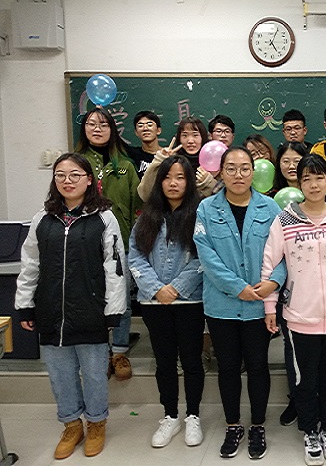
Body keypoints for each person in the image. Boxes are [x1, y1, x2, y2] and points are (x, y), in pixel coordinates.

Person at [15, 153, 126, 460]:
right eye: (61, 175)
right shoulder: (42, 219)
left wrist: (114, 310)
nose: (67, 180)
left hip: (90, 309)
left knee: (94, 374)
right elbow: (30, 264)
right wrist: (25, 305)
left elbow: (115, 267)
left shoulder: (104, 218)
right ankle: (71, 424)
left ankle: (97, 423)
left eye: (75, 174)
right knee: (60, 375)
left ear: (89, 180)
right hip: (51, 311)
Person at [261, 154, 326, 466]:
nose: (314, 184)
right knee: (304, 381)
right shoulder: (285, 219)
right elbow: (270, 263)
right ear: (299, 182)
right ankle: (309, 430)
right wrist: (269, 306)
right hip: (299, 317)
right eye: (307, 178)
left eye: (319, 178)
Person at [193, 146, 286, 460]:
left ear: (253, 172)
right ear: (220, 172)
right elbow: (206, 256)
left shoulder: (270, 207)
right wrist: (237, 288)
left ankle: (257, 425)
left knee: (258, 366)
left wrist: (274, 281)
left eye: (245, 168)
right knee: (228, 368)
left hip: (260, 305)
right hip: (221, 306)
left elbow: (285, 252)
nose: (238, 174)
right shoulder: (206, 208)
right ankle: (233, 425)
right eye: (230, 168)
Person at [128, 156, 205, 448]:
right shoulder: (146, 217)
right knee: (164, 362)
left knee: (192, 360)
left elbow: (204, 257)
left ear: (189, 182)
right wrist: (156, 289)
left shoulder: (201, 215)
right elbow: (135, 256)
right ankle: (170, 415)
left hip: (190, 302)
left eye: (180, 177)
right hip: (154, 304)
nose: (173, 183)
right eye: (167, 177)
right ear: (159, 182)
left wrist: (177, 287)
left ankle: (193, 415)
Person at [76, 107, 141, 381]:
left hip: (121, 243)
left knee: (121, 299)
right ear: (84, 129)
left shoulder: (125, 166)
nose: (97, 129)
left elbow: (138, 206)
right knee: (94, 300)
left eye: (104, 124)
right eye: (92, 124)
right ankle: (100, 352)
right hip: (85, 244)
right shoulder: (75, 164)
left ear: (113, 129)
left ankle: (120, 352)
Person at [269, 140, 308, 426]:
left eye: (297, 160)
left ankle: (317, 397)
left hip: (315, 282)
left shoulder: (319, 198)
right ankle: (296, 398)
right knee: (291, 343)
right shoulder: (268, 199)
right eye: (286, 160)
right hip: (283, 282)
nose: (292, 165)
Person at [137, 116, 218, 202]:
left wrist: (209, 183)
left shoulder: (213, 163)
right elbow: (145, 194)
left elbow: (223, 200)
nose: (190, 141)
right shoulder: (172, 162)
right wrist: (159, 160)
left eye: (195, 135)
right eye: (185, 135)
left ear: (203, 137)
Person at [126, 110, 163, 179]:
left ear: (158, 130)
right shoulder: (132, 154)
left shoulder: (167, 155)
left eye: (150, 125)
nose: (145, 128)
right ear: (136, 132)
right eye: (140, 126)